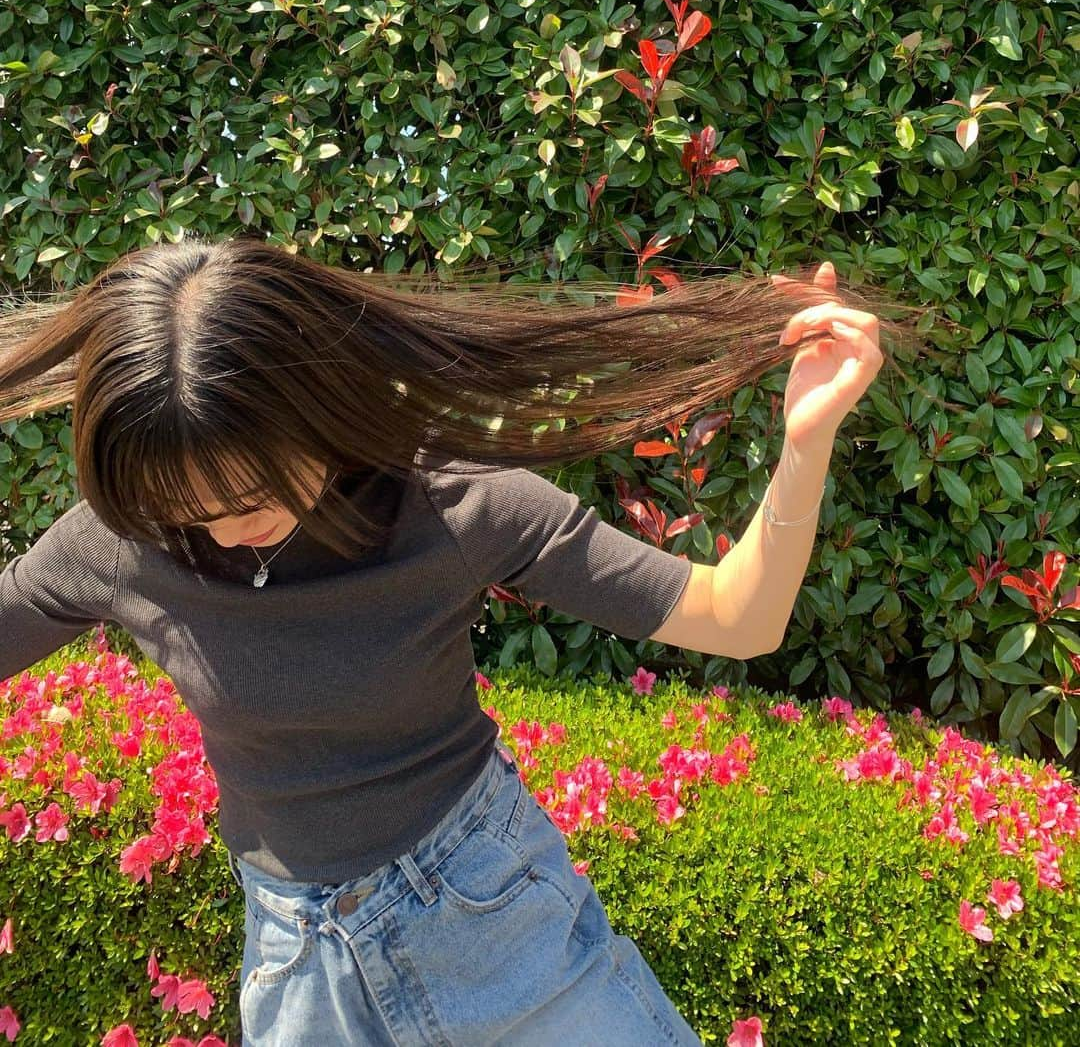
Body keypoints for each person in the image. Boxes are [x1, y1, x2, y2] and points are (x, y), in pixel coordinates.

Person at [0, 235, 907, 1043]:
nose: (221, 533)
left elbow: (736, 617)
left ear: (321, 414)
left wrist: (806, 441)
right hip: (297, 965)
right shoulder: (123, 540)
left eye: (250, 501)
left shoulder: (451, 499)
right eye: (183, 512)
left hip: (489, 911)